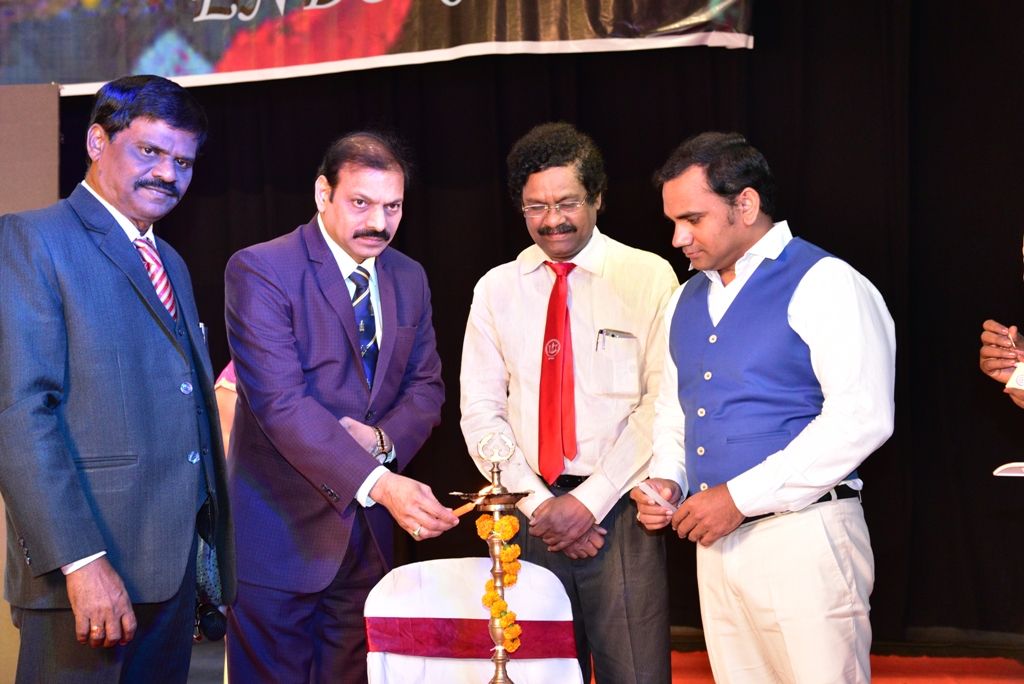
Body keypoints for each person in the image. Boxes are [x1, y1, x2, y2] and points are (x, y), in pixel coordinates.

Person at [632, 131, 895, 684]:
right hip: (715, 544)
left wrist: (738, 497)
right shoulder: (684, 299)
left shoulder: (826, 281)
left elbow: (862, 418)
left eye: (692, 219)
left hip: (805, 536)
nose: (678, 238)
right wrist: (668, 480)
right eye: (672, 222)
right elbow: (676, 413)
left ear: (746, 204)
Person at [0, 75, 235, 684]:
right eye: (150, 151)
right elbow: (19, 414)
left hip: (170, 573)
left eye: (183, 161)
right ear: (96, 142)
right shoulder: (31, 238)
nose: (168, 173)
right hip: (85, 575)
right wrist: (81, 562)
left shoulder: (168, 259)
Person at [224, 131, 458, 684]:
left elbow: (427, 387)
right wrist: (382, 483)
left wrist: (382, 443)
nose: (379, 222)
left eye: (393, 206)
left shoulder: (409, 276)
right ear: (322, 193)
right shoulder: (261, 269)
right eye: (361, 202)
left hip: (369, 543)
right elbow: (280, 404)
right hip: (279, 537)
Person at [460, 122, 677, 684]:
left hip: (623, 513)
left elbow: (661, 402)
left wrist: (589, 502)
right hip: (527, 519)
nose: (552, 219)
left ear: (598, 197)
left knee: (637, 676)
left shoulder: (648, 276)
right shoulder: (496, 289)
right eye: (536, 206)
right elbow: (480, 410)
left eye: (567, 203)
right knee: (539, 675)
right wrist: (540, 506)